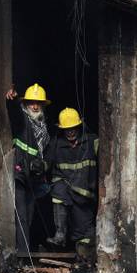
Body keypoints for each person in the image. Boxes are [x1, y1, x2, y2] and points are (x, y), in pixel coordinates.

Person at [6, 83, 52, 253]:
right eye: (31, 103)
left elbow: (47, 154)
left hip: (34, 179)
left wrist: (42, 165)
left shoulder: (44, 128)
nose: (35, 106)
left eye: (38, 103)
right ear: (25, 104)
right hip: (20, 175)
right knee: (22, 216)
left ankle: (26, 252)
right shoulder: (23, 121)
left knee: (30, 215)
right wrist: (12, 101)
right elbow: (14, 114)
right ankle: (23, 254)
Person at [47, 107, 98, 258]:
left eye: (73, 128)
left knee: (85, 234)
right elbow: (46, 163)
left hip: (84, 195)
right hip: (64, 187)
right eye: (66, 129)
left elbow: (108, 155)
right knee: (58, 190)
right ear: (61, 129)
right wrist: (38, 165)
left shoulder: (92, 141)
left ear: (79, 126)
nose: (70, 132)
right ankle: (60, 234)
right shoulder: (56, 144)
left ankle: (83, 256)